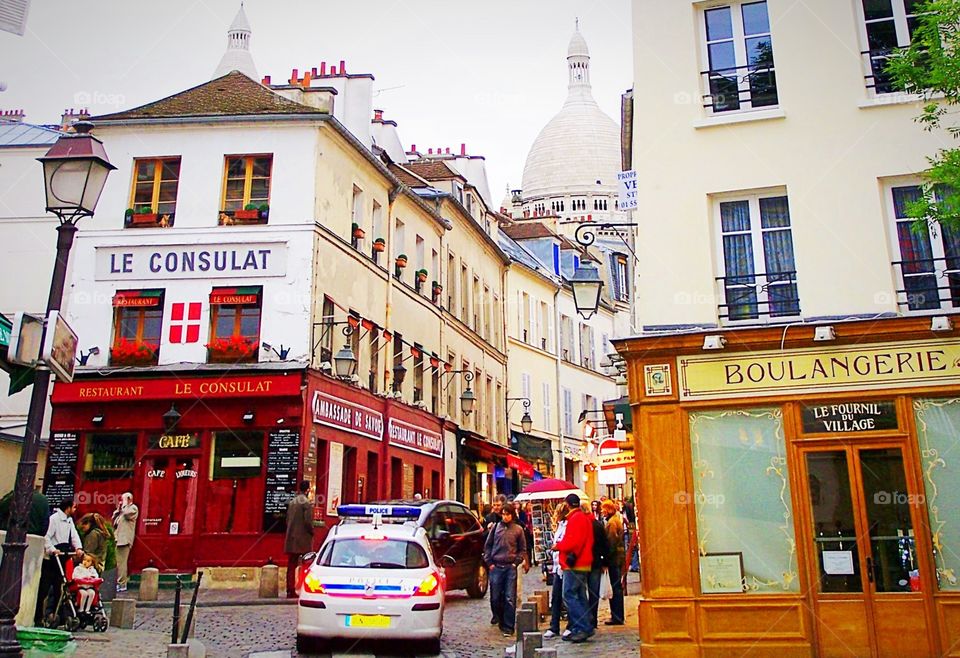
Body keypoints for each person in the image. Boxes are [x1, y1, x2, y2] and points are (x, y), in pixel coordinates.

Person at [482, 502, 529, 637]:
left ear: (512, 515)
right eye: (503, 514)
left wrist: (516, 562)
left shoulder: (518, 529)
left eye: (507, 514)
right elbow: (488, 546)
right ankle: (499, 617)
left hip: (510, 567)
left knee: (509, 597)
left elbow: (522, 549)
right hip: (496, 565)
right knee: (495, 597)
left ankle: (508, 626)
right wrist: (489, 562)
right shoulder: (496, 528)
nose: (505, 517)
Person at [553, 493, 593, 644]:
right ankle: (581, 626)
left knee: (569, 594)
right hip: (582, 562)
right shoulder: (584, 518)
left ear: (568, 504)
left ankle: (583, 626)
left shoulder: (575, 519)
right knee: (580, 595)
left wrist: (558, 546)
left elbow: (573, 541)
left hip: (575, 563)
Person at [37, 498, 83, 625]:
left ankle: (55, 615)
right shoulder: (54, 519)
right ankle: (39, 616)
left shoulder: (69, 520)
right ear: (67, 507)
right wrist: (52, 549)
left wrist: (78, 548)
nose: (75, 510)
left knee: (59, 587)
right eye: (73, 507)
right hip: (52, 558)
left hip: (62, 556)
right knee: (45, 588)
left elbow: (74, 535)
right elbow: (47, 536)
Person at [543, 502, 569, 640]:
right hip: (557, 566)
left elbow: (565, 543)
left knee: (567, 597)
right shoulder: (560, 526)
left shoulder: (568, 525)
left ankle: (571, 625)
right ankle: (554, 626)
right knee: (556, 597)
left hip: (565, 566)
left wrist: (557, 547)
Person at [285, 480, 315, 598]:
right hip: (302, 537)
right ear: (307, 490)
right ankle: (305, 587)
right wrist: (312, 531)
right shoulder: (306, 503)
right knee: (307, 563)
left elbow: (287, 519)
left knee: (291, 565)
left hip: (291, 537)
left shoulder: (292, 502)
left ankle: (290, 589)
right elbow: (308, 521)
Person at [601, 499, 626, 625]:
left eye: (603, 509)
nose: (602, 512)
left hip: (614, 558)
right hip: (618, 557)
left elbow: (611, 542)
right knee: (617, 587)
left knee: (615, 587)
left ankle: (617, 616)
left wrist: (605, 559)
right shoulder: (615, 520)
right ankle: (618, 615)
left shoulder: (611, 523)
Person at [586, 503, 610, 630]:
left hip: (585, 562)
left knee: (583, 591)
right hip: (596, 562)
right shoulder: (598, 525)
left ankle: (587, 618)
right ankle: (593, 619)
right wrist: (605, 562)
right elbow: (605, 544)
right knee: (593, 591)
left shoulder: (585, 525)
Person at [112, 492, 139, 593]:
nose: (121, 501)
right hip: (117, 540)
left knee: (122, 563)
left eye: (123, 499)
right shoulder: (122, 511)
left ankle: (122, 583)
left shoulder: (133, 508)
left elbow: (128, 514)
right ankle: (118, 582)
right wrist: (118, 510)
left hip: (124, 541)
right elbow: (113, 521)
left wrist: (124, 504)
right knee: (117, 563)